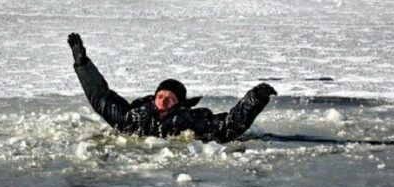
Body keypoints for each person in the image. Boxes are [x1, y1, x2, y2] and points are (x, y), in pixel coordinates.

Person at [68, 33, 277, 143]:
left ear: (180, 103)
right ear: (153, 97)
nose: (164, 100)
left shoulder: (193, 120)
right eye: (160, 95)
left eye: (170, 97)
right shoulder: (133, 117)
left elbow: (229, 127)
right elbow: (101, 98)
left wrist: (255, 98)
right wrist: (83, 65)